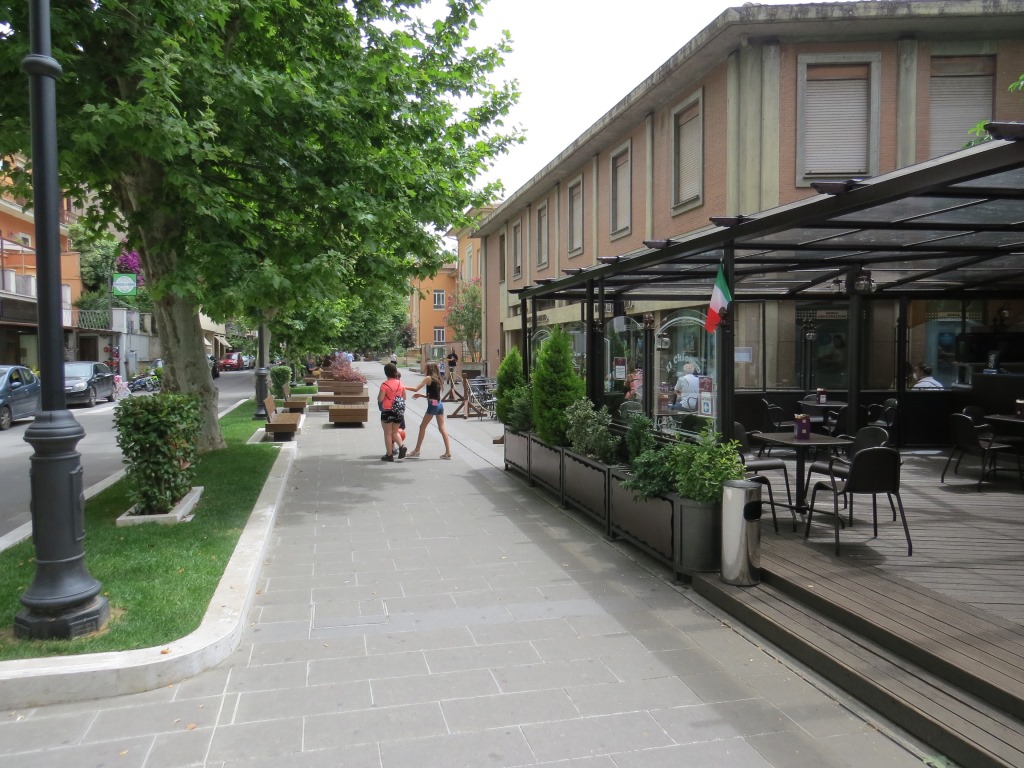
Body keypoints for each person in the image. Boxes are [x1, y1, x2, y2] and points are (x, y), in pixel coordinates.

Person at [404, 361, 452, 459]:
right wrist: (421, 395)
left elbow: (416, 389)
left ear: (429, 369)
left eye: (426, 368)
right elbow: (434, 395)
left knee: (422, 427)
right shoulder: (438, 378)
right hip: (439, 404)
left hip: (433, 406)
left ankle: (417, 450)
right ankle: (448, 452)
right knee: (442, 429)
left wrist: (403, 387)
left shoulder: (428, 378)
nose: (424, 369)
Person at [377, 363, 407, 461]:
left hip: (387, 411)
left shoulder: (384, 385)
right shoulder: (400, 383)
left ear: (386, 373)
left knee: (387, 433)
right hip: (398, 411)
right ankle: (401, 446)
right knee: (395, 432)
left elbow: (380, 399)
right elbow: (404, 397)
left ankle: (389, 455)